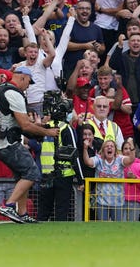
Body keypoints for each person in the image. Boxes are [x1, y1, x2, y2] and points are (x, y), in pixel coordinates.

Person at [0, 67, 59, 224]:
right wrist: (48, 132)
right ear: (22, 77)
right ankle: (9, 205)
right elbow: (25, 126)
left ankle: (22, 213)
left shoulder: (1, 88)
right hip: (6, 142)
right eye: (29, 81)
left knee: (23, 174)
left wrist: (37, 127)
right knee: (32, 173)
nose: (29, 86)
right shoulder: (14, 94)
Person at [37, 91, 82, 222]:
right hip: (63, 175)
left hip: (46, 174)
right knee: (61, 212)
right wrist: (81, 179)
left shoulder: (44, 127)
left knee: (43, 212)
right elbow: (74, 155)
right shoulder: (66, 128)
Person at [82, 138, 135, 221]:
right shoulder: (98, 159)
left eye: (112, 146)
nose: (109, 148)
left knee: (118, 228)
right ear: (103, 150)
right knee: (103, 228)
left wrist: (132, 147)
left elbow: (131, 160)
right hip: (102, 201)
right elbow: (88, 162)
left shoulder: (119, 159)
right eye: (107, 146)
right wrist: (85, 148)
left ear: (115, 149)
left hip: (118, 201)